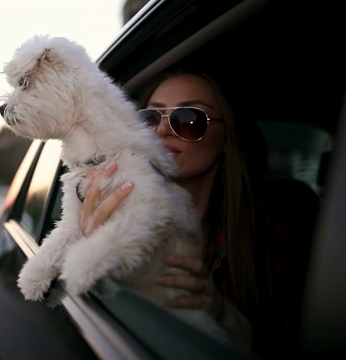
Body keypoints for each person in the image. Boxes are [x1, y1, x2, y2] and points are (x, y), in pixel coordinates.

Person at [79, 69, 300, 356]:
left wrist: (222, 315)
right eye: (150, 118)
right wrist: (93, 254)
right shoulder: (107, 212)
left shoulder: (269, 240)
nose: (163, 130)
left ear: (227, 139)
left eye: (190, 119)